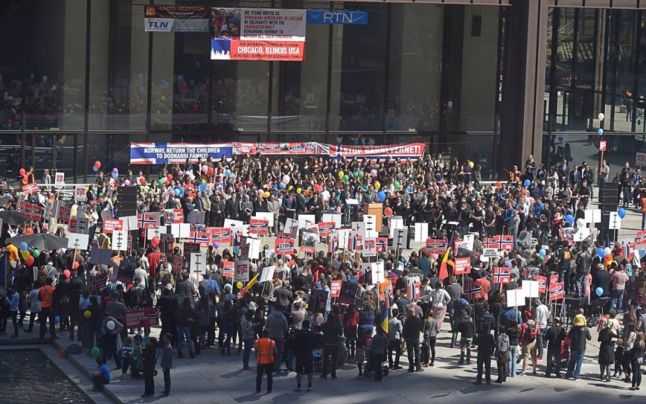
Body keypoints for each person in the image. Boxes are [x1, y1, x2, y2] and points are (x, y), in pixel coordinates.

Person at [565, 314, 591, 380]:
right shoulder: (585, 329)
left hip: (573, 347)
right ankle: (576, 376)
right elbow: (589, 338)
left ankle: (569, 374)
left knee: (572, 361)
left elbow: (568, 336)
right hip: (581, 348)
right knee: (579, 362)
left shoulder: (573, 329)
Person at [293, 320, 315, 391]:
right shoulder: (311, 334)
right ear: (309, 326)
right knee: (309, 371)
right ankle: (310, 386)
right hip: (308, 353)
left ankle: (299, 386)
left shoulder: (298, 334)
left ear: (303, 325)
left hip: (300, 354)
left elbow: (294, 344)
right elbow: (315, 344)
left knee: (299, 371)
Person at [321, 311, 342, 379]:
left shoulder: (325, 324)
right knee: (334, 360)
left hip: (327, 343)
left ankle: (324, 374)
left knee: (325, 359)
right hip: (335, 344)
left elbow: (322, 330)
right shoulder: (337, 325)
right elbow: (340, 333)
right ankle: (333, 374)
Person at [403, 305, 423, 372]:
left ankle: (411, 367)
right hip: (416, 338)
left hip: (409, 339)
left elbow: (404, 330)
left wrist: (404, 338)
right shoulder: (418, 320)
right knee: (417, 353)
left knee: (410, 353)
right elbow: (421, 329)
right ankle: (418, 367)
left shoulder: (407, 321)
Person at [255, 330, 277, 394]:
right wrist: (275, 360)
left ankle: (258, 389)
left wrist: (257, 358)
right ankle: (269, 389)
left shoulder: (258, 341)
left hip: (260, 360)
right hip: (269, 360)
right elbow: (275, 352)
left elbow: (256, 351)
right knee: (269, 376)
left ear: (262, 334)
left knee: (259, 376)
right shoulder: (272, 342)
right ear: (268, 335)